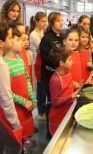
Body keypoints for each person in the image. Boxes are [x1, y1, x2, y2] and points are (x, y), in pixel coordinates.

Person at [4, 27, 36, 152]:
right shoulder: (4, 63)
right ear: (9, 42)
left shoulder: (20, 60)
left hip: (26, 105)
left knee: (26, 132)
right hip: (16, 107)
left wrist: (32, 98)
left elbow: (27, 79)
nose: (22, 41)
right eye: (18, 39)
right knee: (16, 135)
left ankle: (25, 146)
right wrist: (23, 101)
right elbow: (6, 93)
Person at [39, 12, 64, 140]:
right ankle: (50, 131)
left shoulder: (62, 36)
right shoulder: (46, 39)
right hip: (50, 76)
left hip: (61, 75)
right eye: (58, 21)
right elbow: (47, 57)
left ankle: (59, 128)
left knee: (60, 102)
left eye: (62, 20)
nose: (61, 22)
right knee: (52, 103)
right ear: (51, 23)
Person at [0, 22, 22, 154]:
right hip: (3, 118)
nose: (13, 38)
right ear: (1, 43)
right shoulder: (2, 65)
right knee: (13, 147)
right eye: (10, 37)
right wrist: (15, 123)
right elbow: (6, 98)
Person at [48, 46, 75, 135]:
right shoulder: (55, 80)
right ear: (61, 63)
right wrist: (72, 96)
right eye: (70, 60)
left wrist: (75, 85)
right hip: (58, 117)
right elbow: (55, 102)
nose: (73, 62)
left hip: (67, 111)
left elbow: (67, 85)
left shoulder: (67, 72)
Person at [29, 12, 47, 118]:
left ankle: (43, 110)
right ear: (36, 21)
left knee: (44, 87)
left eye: (46, 21)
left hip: (44, 63)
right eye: (43, 21)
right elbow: (43, 47)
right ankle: (41, 112)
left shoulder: (43, 32)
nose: (45, 23)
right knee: (41, 89)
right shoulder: (33, 34)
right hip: (37, 64)